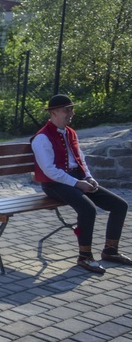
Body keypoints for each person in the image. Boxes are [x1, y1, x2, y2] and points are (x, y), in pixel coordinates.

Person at [31, 94, 130, 273]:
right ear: (53, 112)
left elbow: (80, 159)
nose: (70, 113)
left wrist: (89, 178)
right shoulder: (42, 138)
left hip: (78, 179)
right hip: (55, 183)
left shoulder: (70, 132)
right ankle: (84, 256)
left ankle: (110, 251)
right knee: (88, 209)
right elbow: (50, 171)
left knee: (120, 205)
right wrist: (77, 184)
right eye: (65, 110)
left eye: (71, 109)